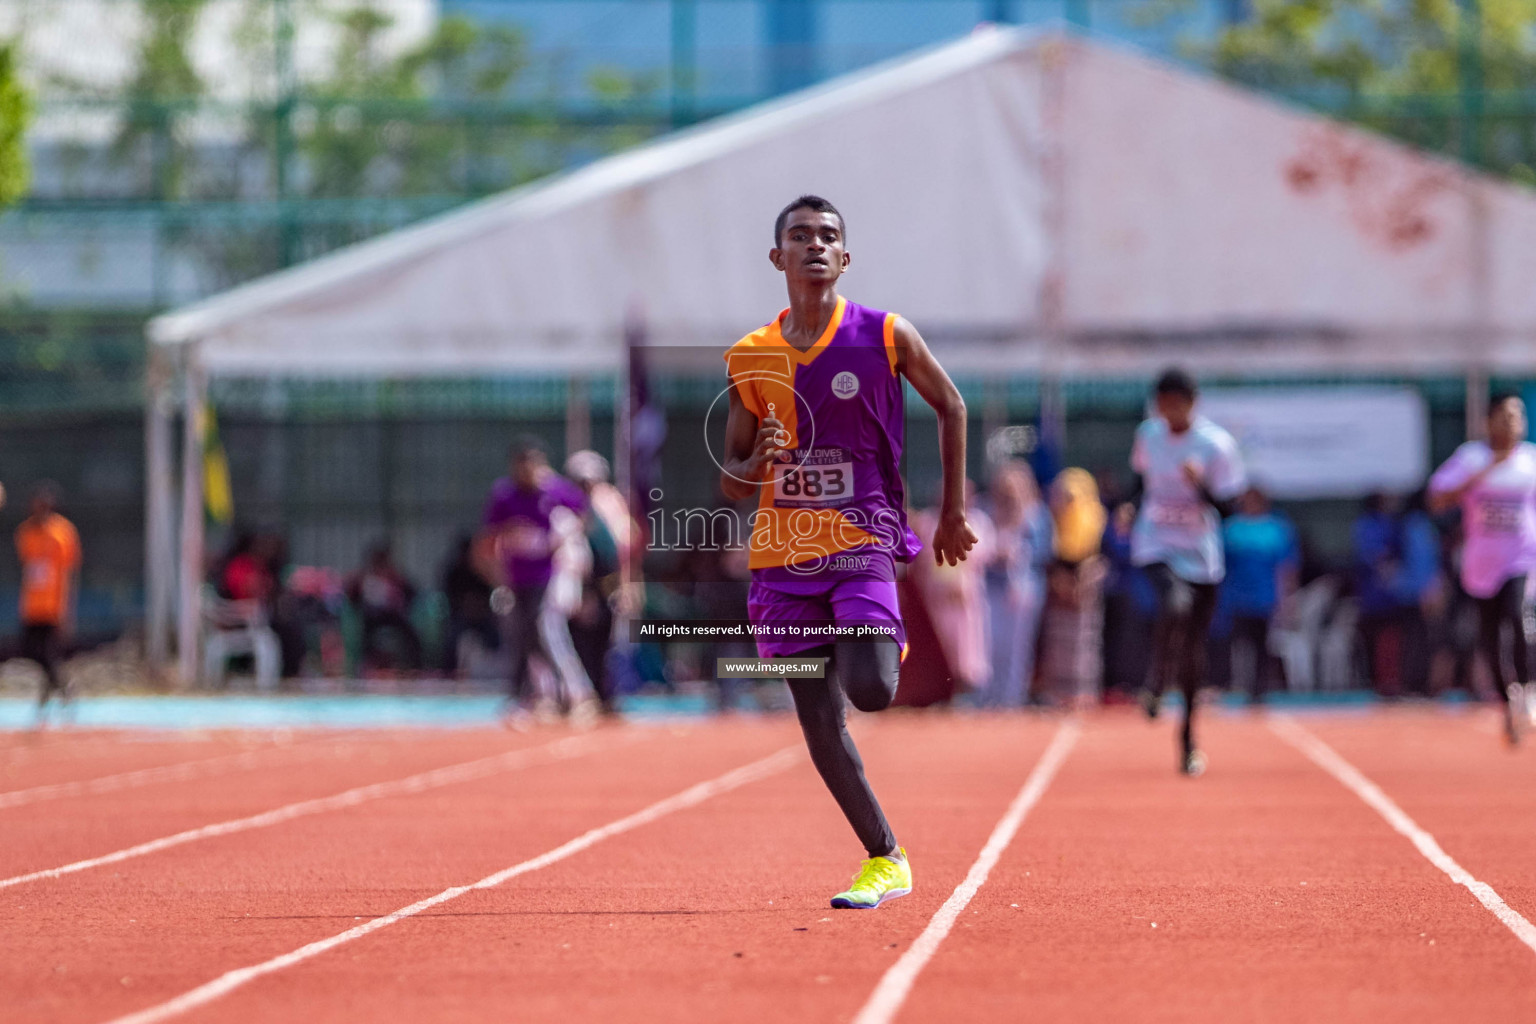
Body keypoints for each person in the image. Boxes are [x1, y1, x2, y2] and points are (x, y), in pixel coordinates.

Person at [720, 195, 977, 910]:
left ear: (845, 256)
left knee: (870, 690)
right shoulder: (751, 356)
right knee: (820, 723)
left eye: (827, 236)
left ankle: (859, 642)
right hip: (782, 558)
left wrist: (951, 512)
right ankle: (885, 857)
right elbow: (730, 479)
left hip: (862, 540)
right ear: (777, 257)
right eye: (799, 236)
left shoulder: (886, 335)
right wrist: (757, 461)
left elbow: (951, 405)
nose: (814, 246)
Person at [1131, 368, 1246, 776]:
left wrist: (1201, 487)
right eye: (1162, 405)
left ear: (1192, 404)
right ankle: (1157, 681)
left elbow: (1230, 510)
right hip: (1156, 542)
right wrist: (1130, 506)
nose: (1168, 413)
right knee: (1173, 604)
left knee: (1195, 654)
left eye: (1176, 405)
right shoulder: (1149, 435)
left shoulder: (1216, 446)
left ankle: (1188, 741)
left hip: (1200, 552)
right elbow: (1139, 480)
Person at [1428, 392, 1536, 745]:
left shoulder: (1531, 462)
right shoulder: (1471, 458)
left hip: (1520, 559)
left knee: (1518, 618)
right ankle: (1507, 704)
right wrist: (1483, 473)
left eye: (1518, 415)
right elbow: (1437, 499)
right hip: (1481, 565)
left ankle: (1528, 692)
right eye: (1505, 415)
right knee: (1490, 638)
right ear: (1489, 420)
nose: (1513, 422)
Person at [481, 438, 597, 721]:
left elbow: (582, 515)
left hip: (549, 577)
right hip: (516, 578)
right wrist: (498, 577)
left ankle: (577, 694)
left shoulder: (556, 491)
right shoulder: (504, 496)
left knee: (547, 629)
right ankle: (541, 695)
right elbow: (488, 538)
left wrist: (561, 537)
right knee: (524, 637)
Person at [977, 459, 1052, 708]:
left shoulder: (1037, 515)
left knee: (1017, 648)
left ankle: (1012, 698)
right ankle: (987, 696)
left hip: (1025, 590)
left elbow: (1043, 553)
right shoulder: (987, 510)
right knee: (990, 646)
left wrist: (1017, 552)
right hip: (991, 587)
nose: (1008, 494)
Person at [1220, 487, 1299, 704]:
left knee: (1264, 646)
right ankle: (1237, 685)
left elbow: (1286, 567)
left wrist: (1288, 600)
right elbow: (1219, 566)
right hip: (1236, 598)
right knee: (1238, 646)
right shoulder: (1231, 529)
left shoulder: (1276, 528)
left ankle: (1260, 689)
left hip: (1265, 598)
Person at [1038, 468, 1108, 708]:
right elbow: (1048, 556)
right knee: (1058, 641)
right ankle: (1058, 693)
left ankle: (1084, 692)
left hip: (1087, 589)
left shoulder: (1096, 517)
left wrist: (1084, 582)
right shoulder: (1051, 520)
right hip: (1060, 589)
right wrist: (1062, 584)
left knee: (1085, 640)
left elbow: (1102, 556)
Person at [14, 484, 81, 712]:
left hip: (53, 604)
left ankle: (53, 693)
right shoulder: (25, 532)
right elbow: (29, 568)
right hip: (32, 604)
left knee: (49, 653)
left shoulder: (62, 532)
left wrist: (66, 608)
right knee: (32, 651)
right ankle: (60, 688)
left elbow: (68, 572)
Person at [345, 540, 423, 673]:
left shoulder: (394, 575)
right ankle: (364, 666)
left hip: (393, 616)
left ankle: (415, 666)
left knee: (409, 633)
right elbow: (351, 597)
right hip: (372, 617)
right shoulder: (364, 576)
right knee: (366, 633)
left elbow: (412, 593)